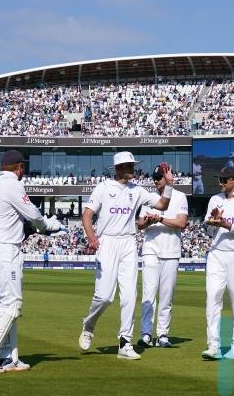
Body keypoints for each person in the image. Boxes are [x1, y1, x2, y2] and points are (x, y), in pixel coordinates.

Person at [0, 150, 65, 373]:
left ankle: (8, 358)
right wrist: (50, 226)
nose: (24, 171)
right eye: (23, 167)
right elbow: (33, 214)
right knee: (12, 305)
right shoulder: (12, 185)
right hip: (4, 250)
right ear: (18, 167)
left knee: (6, 305)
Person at [78, 151, 175, 360]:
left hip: (129, 242)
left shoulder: (137, 190)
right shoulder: (103, 188)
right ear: (119, 168)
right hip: (108, 242)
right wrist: (92, 237)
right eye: (129, 166)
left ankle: (125, 342)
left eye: (133, 165)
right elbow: (87, 215)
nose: (133, 169)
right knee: (104, 296)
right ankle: (89, 324)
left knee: (130, 295)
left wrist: (169, 184)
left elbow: (162, 205)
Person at [201, 166, 234, 360]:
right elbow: (208, 231)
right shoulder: (215, 200)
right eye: (219, 180)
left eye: (224, 180)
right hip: (216, 254)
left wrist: (226, 224)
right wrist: (213, 221)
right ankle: (213, 346)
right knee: (212, 298)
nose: (220, 183)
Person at [137, 164, 188, 349]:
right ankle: (146, 334)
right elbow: (140, 224)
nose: (156, 181)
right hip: (151, 249)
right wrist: (147, 220)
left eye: (159, 177)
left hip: (171, 252)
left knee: (166, 296)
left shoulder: (180, 196)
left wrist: (159, 219)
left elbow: (181, 222)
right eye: (155, 178)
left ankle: (163, 335)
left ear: (168, 178)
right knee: (148, 294)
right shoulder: (149, 198)